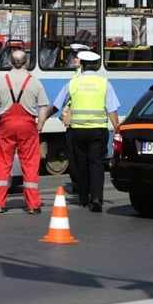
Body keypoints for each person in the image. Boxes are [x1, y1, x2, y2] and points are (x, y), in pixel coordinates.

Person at [38, 51, 120, 213]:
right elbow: (112, 110)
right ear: (96, 66)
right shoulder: (104, 83)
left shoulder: (72, 84)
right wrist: (118, 129)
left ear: (81, 65)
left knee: (80, 164)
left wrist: (43, 119)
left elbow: (56, 105)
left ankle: (83, 197)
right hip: (98, 131)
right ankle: (96, 199)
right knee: (96, 164)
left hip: (78, 131)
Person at [0, 50, 49, 215]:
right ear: (26, 62)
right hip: (28, 126)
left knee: (3, 164)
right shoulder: (35, 82)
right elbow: (43, 108)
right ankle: (33, 205)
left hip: (6, 125)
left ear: (10, 62)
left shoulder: (2, 81)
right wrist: (39, 126)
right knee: (30, 164)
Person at [62, 43, 89, 194]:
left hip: (77, 123)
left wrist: (68, 115)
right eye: (73, 55)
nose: (74, 58)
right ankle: (80, 184)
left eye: (77, 56)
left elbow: (74, 99)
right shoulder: (77, 74)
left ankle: (80, 185)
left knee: (76, 157)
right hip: (76, 122)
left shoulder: (79, 77)